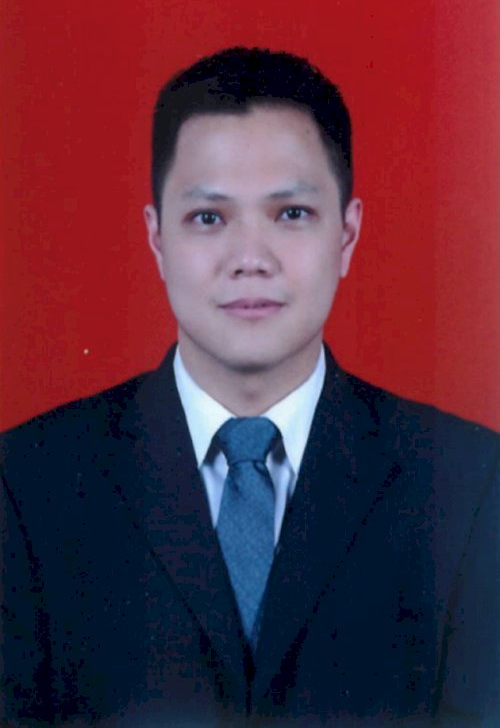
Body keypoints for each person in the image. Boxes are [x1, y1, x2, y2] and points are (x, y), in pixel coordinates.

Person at [1, 47, 498, 728]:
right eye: (209, 218)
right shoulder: (28, 486)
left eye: (291, 214)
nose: (250, 260)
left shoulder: (469, 485)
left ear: (347, 234)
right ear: (157, 238)